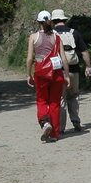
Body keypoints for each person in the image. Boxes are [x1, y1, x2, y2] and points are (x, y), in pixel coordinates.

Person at [26, 10, 70, 143]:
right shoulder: (57, 38)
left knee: (41, 100)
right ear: (50, 21)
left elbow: (29, 58)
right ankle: (55, 134)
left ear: (38, 22)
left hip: (41, 72)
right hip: (56, 73)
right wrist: (66, 75)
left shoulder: (33, 37)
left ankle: (45, 123)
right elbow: (63, 58)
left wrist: (28, 74)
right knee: (55, 102)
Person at [50, 8, 91, 132]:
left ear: (53, 21)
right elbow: (84, 52)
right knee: (74, 95)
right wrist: (88, 66)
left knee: (61, 98)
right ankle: (75, 120)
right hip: (74, 70)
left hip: (58, 70)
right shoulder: (74, 33)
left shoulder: (52, 34)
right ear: (64, 20)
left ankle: (61, 127)